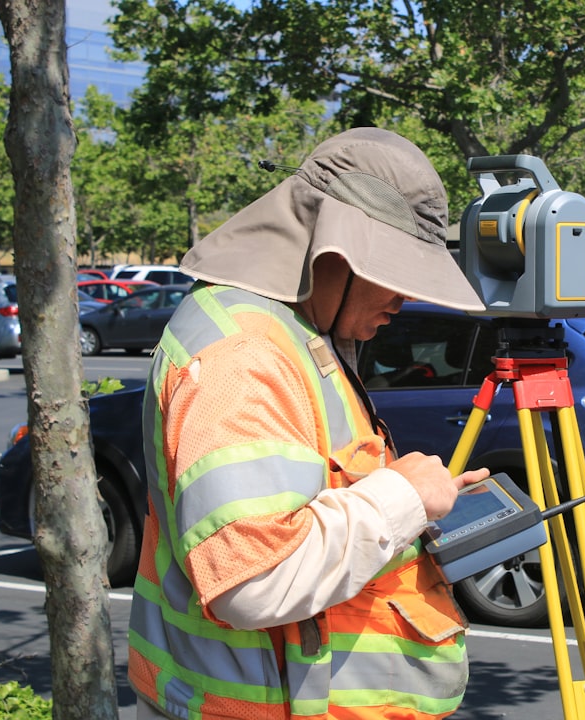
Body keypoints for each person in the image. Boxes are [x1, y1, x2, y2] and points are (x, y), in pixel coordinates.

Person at [128, 127, 491, 720]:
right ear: (334, 253)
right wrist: (403, 496)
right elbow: (255, 578)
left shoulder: (294, 334)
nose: (404, 300)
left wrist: (422, 499)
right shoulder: (245, 356)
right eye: (394, 271)